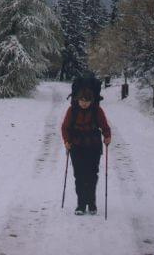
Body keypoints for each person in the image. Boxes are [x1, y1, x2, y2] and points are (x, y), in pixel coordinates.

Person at [61, 86, 111, 215]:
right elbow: (65, 127)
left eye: (87, 101)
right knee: (79, 175)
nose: (84, 103)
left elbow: (105, 126)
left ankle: (92, 203)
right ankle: (81, 204)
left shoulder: (97, 110)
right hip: (76, 146)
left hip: (93, 145)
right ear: (77, 100)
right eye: (82, 100)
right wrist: (66, 141)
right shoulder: (72, 110)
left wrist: (107, 136)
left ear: (91, 101)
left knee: (92, 174)